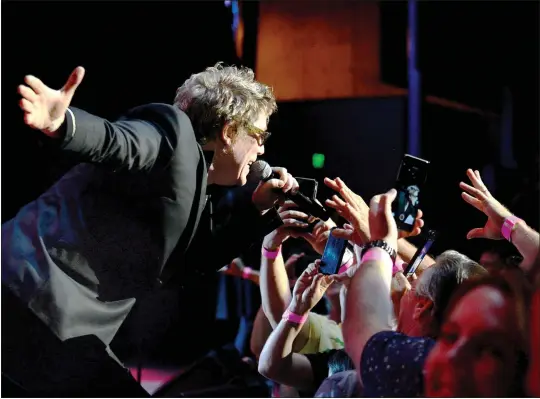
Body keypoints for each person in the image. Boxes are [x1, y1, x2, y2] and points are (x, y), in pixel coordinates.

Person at [3, 63, 298, 396]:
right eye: (258, 136)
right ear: (229, 131)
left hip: (55, 319)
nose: (261, 150)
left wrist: (255, 209)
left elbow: (195, 260)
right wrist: (64, 124)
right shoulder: (172, 134)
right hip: (30, 292)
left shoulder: (195, 191)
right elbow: (118, 141)